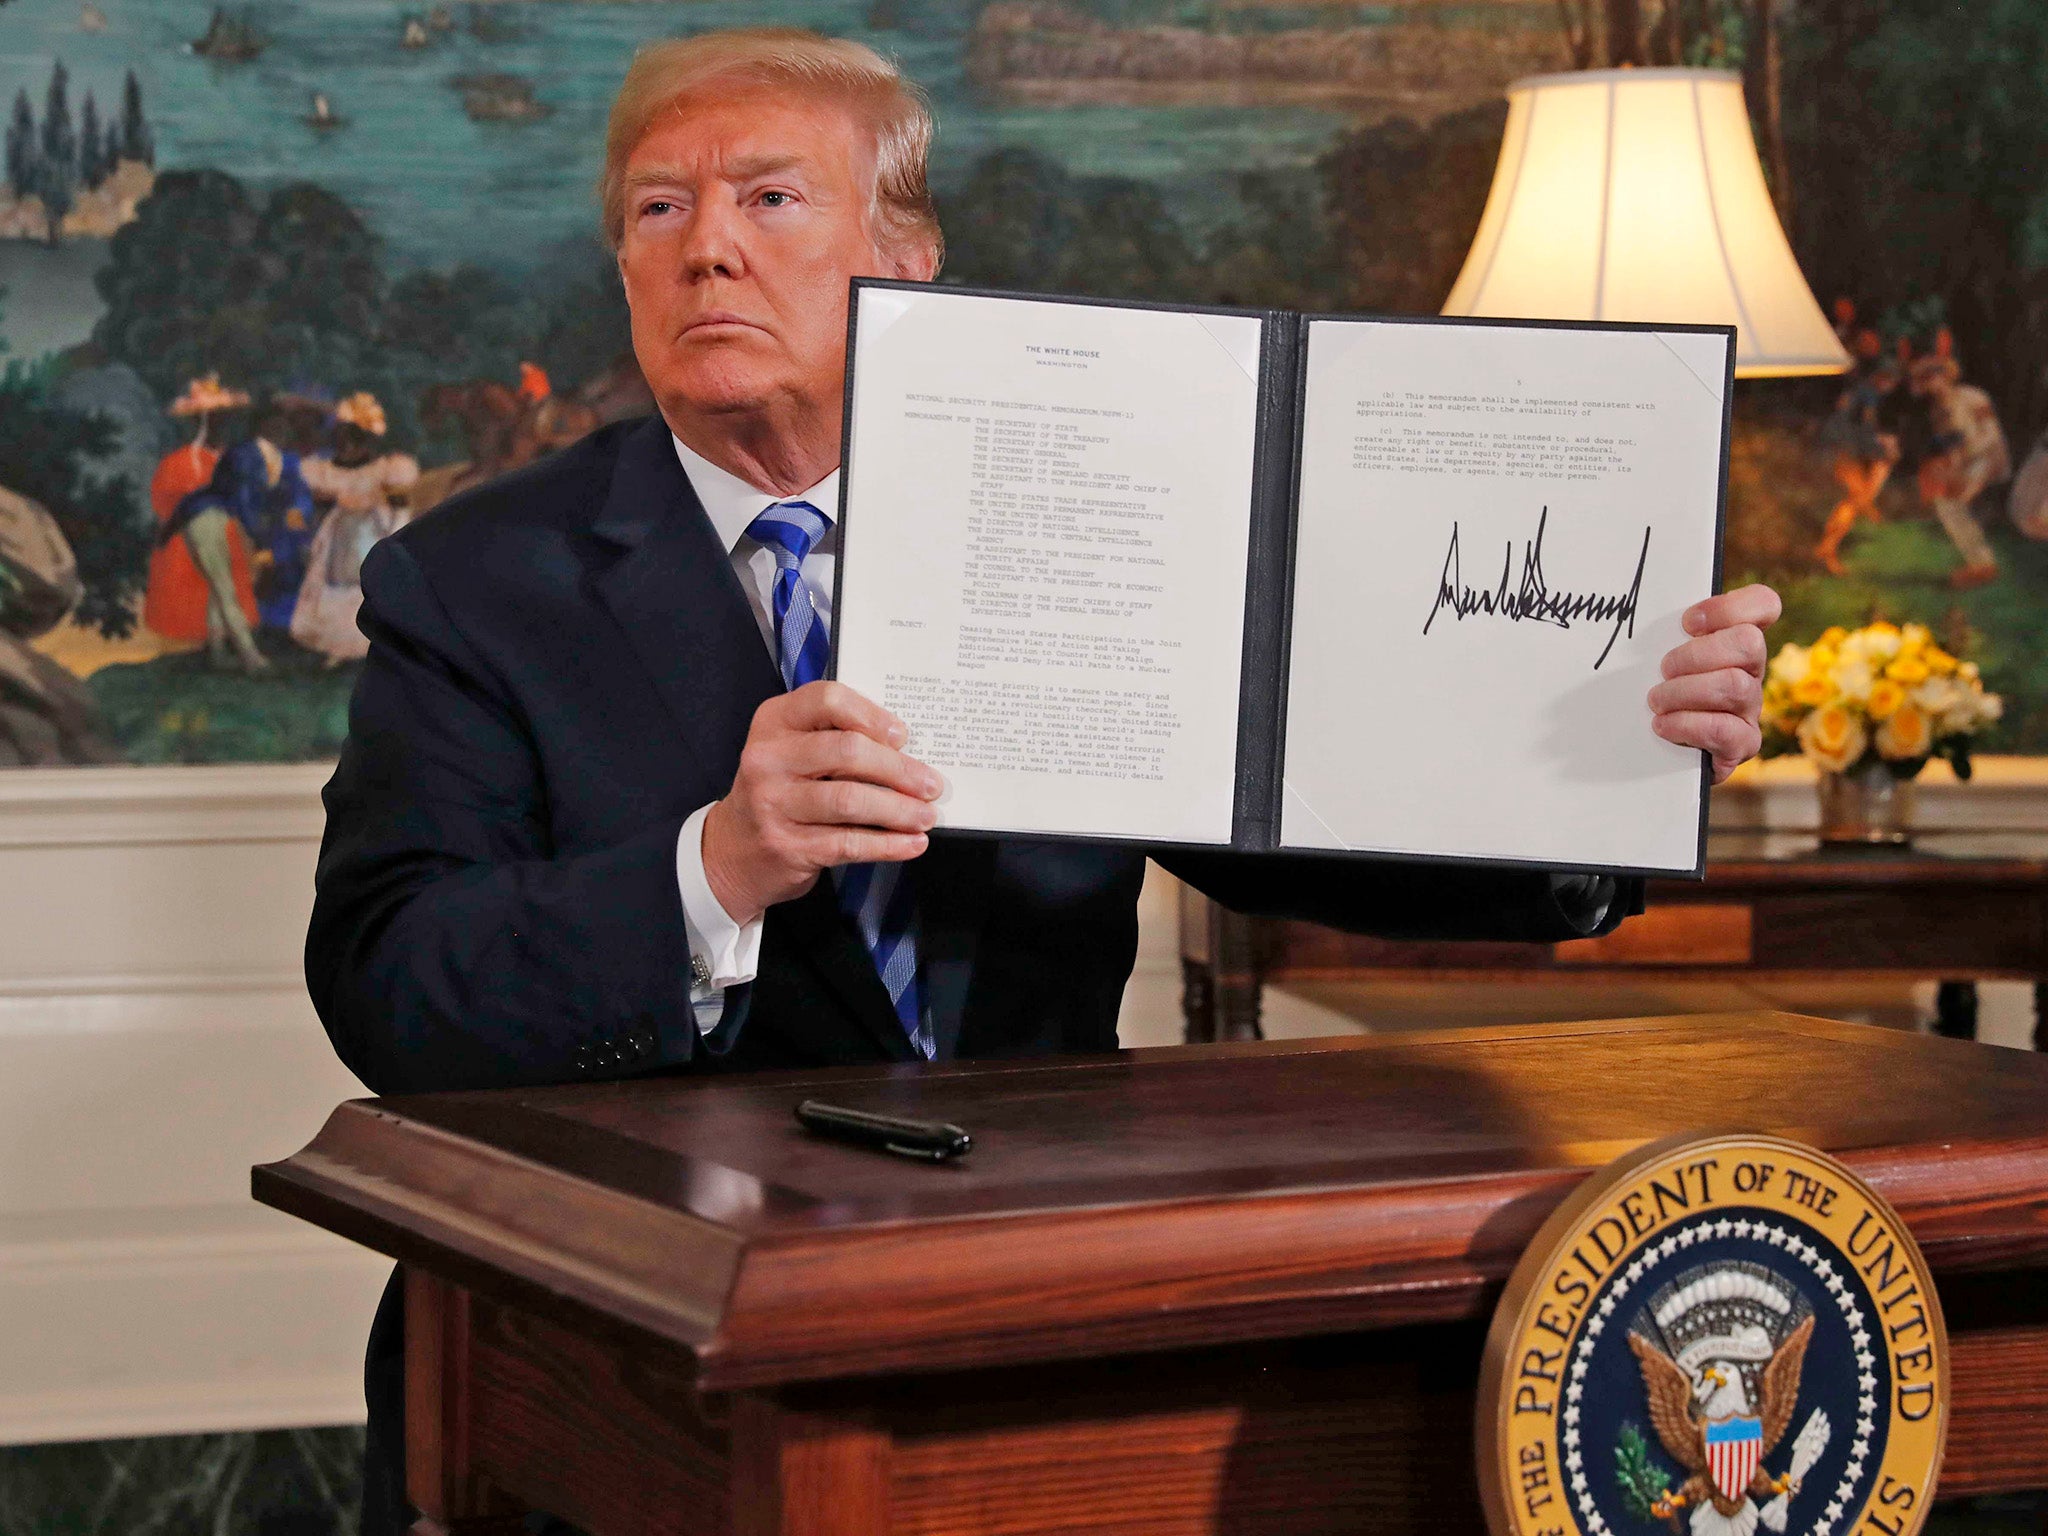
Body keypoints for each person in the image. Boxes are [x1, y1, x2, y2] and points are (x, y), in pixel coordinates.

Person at [304, 30, 1778, 1534]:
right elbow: (391, 986)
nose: (707, 255)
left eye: (767, 200)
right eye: (658, 212)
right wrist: (715, 869)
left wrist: (1610, 755)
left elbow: (1310, 816)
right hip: (617, 1356)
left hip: (1050, 1324)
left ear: (907, 254)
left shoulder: (1096, 506)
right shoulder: (477, 583)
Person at [293, 391, 421, 664]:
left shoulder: (386, 468)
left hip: (372, 530)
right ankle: (338, 647)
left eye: (352, 439)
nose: (346, 445)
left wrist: (384, 505)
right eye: (342, 438)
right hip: (341, 532)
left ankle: (370, 644)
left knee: (367, 584)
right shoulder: (327, 469)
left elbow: (399, 500)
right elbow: (319, 493)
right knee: (338, 584)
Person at [143, 374, 262, 651]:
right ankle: (222, 648)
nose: (221, 425)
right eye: (213, 419)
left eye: (224, 418)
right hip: (189, 536)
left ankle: (221, 645)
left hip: (231, 533)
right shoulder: (179, 461)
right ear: (201, 422)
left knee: (223, 590)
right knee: (210, 589)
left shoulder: (235, 459)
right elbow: (164, 503)